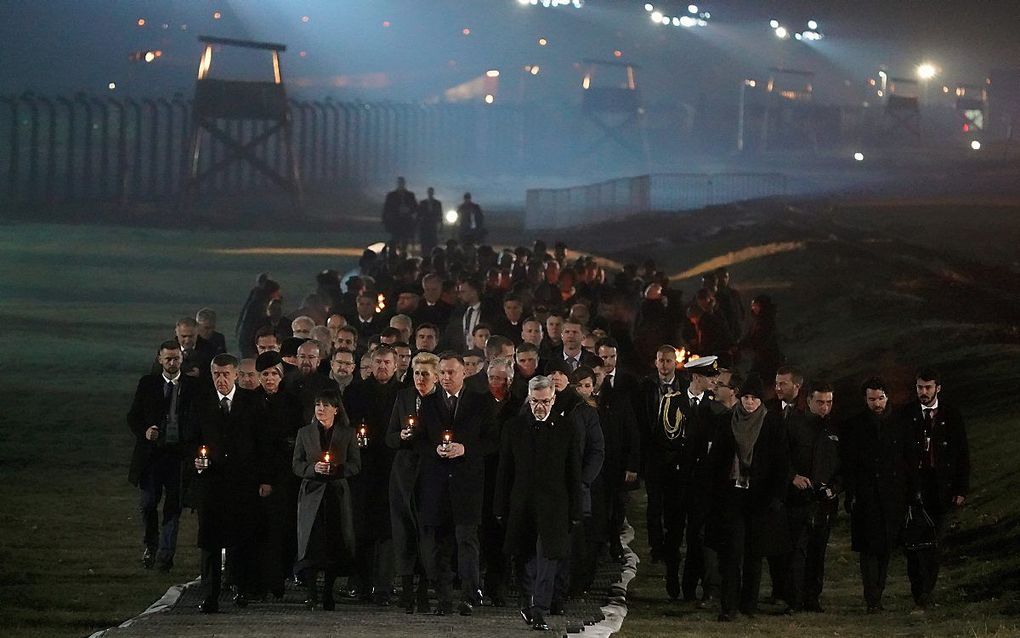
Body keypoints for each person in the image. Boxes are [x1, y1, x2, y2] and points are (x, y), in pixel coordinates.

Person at [495, 375, 582, 632]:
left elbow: (573, 472)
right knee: (523, 556)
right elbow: (505, 471)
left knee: (548, 558)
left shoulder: (567, 428)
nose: (539, 406)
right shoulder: (514, 427)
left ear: (553, 399)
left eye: (545, 401)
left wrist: (576, 509)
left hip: (554, 505)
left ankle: (540, 608)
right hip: (521, 503)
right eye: (535, 401)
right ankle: (527, 601)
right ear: (528, 399)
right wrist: (499, 506)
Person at [707, 374, 791, 622]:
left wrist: (776, 496)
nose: (750, 403)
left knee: (755, 553)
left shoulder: (772, 423)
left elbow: (781, 462)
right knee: (731, 552)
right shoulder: (726, 422)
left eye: (754, 398)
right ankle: (729, 605)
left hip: (760, 498)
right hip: (732, 495)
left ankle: (749, 603)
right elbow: (715, 461)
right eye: (746, 398)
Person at [193, 354, 272, 613]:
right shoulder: (202, 403)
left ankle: (241, 587)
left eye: (226, 374)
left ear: (236, 374)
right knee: (210, 540)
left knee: (242, 537)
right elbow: (191, 438)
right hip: (213, 482)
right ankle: (210, 593)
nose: (221, 379)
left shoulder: (251, 401)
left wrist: (264, 478)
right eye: (216, 374)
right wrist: (196, 460)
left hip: (243, 481)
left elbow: (263, 443)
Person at [415, 352, 490, 616]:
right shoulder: (428, 402)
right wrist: (435, 449)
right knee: (439, 546)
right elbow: (419, 441)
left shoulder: (480, 402)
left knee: (467, 542)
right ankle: (444, 599)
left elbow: (492, 440)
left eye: (451, 372)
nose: (446, 377)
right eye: (442, 373)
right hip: (437, 485)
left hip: (467, 485)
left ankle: (470, 596)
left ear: (464, 373)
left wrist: (465, 449)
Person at [646, 355, 722, 601]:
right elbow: (663, 439)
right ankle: (672, 577)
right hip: (676, 480)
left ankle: (689, 585)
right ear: (697, 377)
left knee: (697, 536)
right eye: (710, 377)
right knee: (674, 532)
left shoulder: (715, 406)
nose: (715, 381)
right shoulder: (673, 401)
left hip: (701, 482)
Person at [901, 368, 970, 612]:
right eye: (920, 387)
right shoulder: (907, 414)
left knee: (934, 543)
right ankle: (917, 589)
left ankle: (926, 591)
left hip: (942, 488)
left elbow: (962, 453)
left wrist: (961, 488)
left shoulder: (951, 414)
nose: (923, 392)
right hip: (915, 488)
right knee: (914, 543)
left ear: (937, 388)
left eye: (928, 387)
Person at [127, 340, 199, 572]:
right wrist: (145, 430)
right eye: (168, 358)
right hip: (152, 455)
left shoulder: (193, 386)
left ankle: (166, 556)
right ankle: (151, 544)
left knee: (173, 507)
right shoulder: (148, 384)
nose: (172, 362)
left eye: (176, 358)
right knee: (148, 503)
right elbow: (133, 417)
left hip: (179, 456)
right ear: (159, 359)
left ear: (182, 359)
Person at [841, 377, 911, 614]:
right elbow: (849, 464)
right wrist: (851, 493)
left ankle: (877, 591)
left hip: (892, 495)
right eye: (872, 399)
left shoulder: (899, 423)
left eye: (880, 398)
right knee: (870, 548)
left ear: (887, 397)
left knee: (886, 548)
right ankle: (872, 596)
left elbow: (907, 460)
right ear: (865, 400)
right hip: (866, 495)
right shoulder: (855, 426)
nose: (877, 403)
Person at [292, 390, 360, 610]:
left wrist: (337, 469)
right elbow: (297, 464)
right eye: (317, 405)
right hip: (312, 495)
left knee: (334, 545)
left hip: (336, 496)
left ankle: (328, 593)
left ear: (336, 409)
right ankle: (312, 594)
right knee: (311, 545)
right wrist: (313, 468)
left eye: (325, 405)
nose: (320, 409)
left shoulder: (347, 433)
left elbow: (355, 465)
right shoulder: (305, 433)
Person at [343, 345, 401, 604]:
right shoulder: (355, 391)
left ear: (396, 365)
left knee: (388, 531)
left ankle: (384, 587)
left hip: (392, 468)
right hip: (362, 469)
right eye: (378, 362)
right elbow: (345, 426)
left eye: (387, 362)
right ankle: (361, 583)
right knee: (361, 528)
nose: (382, 367)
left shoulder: (403, 393)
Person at [386, 352, 441, 614]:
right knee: (403, 530)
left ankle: (423, 591)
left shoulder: (441, 401)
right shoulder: (404, 397)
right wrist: (402, 435)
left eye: (426, 374)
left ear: (437, 376)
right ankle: (406, 591)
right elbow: (390, 436)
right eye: (417, 373)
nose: (420, 378)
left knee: (426, 533)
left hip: (430, 472)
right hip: (403, 473)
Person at [785, 382, 841, 613]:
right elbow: (781, 456)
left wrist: (835, 487)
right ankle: (794, 599)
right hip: (799, 498)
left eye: (828, 402)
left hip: (825, 500)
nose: (824, 407)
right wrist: (792, 477)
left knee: (818, 550)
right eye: (820, 402)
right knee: (797, 550)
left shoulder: (836, 429)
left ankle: (812, 597)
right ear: (808, 401)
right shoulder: (794, 425)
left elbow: (844, 464)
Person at [254, 352, 303, 599]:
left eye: (275, 374)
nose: (270, 379)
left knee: (279, 529)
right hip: (256, 474)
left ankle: (278, 578)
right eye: (266, 374)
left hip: (284, 475)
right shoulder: (251, 402)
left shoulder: (290, 402)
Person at [382, 176, 417, 254]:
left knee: (404, 240)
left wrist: (408, 210)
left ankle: (402, 254)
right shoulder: (391, 196)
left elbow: (415, 207)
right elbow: (387, 208)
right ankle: (395, 255)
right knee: (395, 240)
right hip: (396, 222)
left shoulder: (410, 195)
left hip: (406, 222)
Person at [418, 187, 443, 257]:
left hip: (433, 228)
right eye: (429, 192)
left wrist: (440, 228)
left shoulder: (437, 203)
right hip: (425, 228)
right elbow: (419, 215)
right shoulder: (423, 203)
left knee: (433, 246)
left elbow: (440, 216)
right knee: (425, 247)